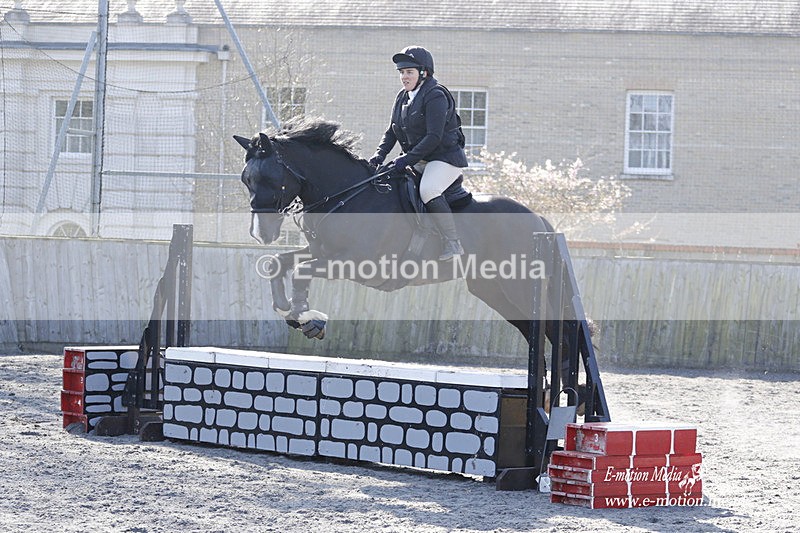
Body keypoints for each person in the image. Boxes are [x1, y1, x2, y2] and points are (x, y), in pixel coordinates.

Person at [369, 46, 468, 260]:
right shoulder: (402, 97)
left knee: (429, 189)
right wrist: (378, 156)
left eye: (409, 72)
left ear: (424, 73)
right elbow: (391, 131)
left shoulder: (435, 95)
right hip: (418, 159)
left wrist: (405, 159)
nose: (404, 77)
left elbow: (434, 137)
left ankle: (453, 242)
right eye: (402, 73)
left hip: (444, 159)